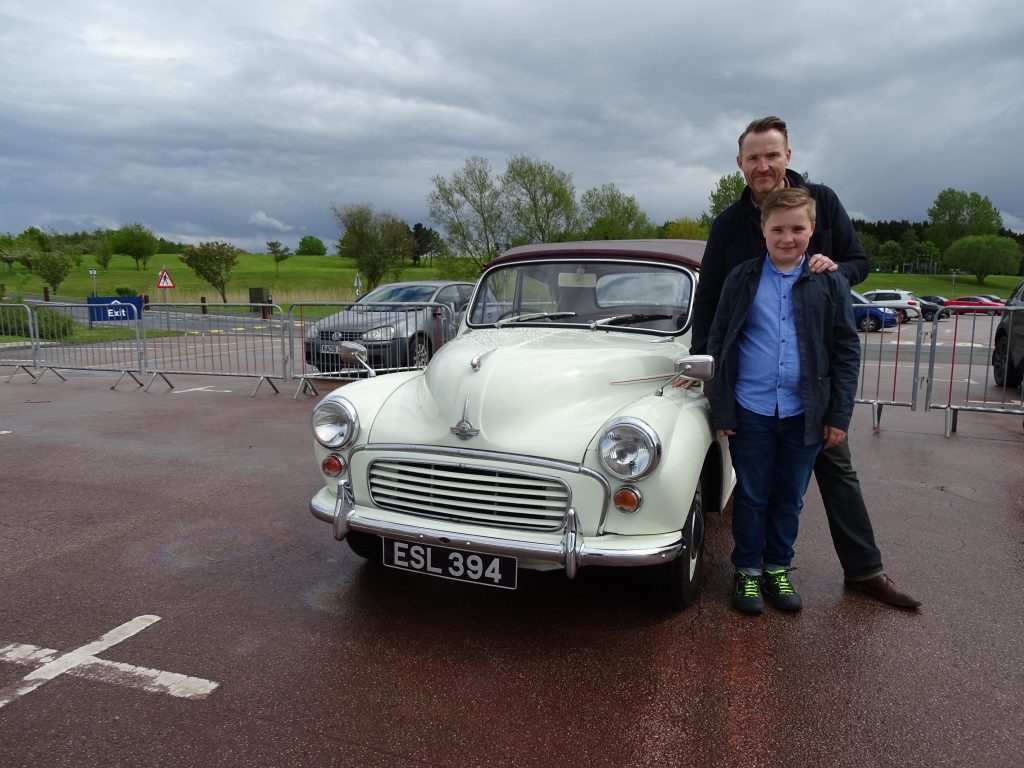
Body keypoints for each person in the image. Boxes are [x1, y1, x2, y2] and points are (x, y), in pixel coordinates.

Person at [688, 115, 921, 609]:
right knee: (754, 488)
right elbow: (709, 299)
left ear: (788, 156)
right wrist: (706, 371)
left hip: (808, 385)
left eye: (772, 155)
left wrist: (835, 266)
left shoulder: (823, 202)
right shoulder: (730, 225)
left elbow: (858, 262)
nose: (763, 165)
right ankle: (750, 569)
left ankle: (864, 570)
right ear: (740, 164)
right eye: (753, 158)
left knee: (832, 473)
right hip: (753, 385)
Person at [707, 187, 860, 614]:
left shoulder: (828, 282)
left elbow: (846, 351)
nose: (787, 237)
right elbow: (720, 341)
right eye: (778, 228)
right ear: (763, 230)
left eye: (797, 228)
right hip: (751, 408)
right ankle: (747, 572)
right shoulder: (741, 278)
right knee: (753, 494)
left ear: (812, 230)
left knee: (790, 496)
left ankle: (777, 567)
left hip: (805, 412)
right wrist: (722, 406)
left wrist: (838, 414)